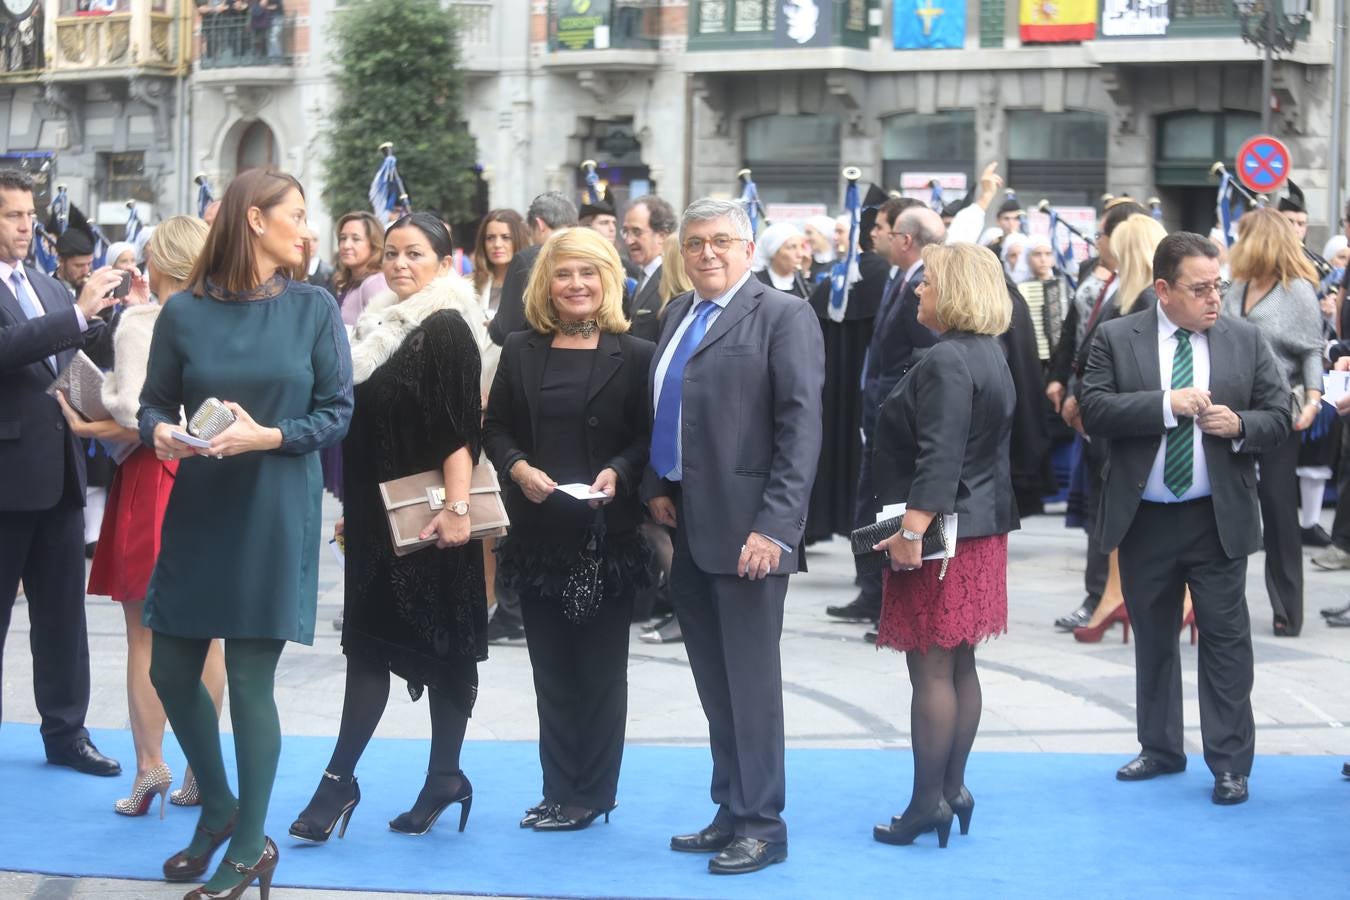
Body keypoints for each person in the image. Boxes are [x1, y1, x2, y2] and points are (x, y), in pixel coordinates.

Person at [138, 168, 353, 896]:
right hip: (201, 505)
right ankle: (222, 806)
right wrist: (162, 432)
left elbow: (336, 411)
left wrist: (268, 437)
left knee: (250, 677)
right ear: (254, 221)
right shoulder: (184, 312)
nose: (307, 226)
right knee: (170, 668)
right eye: (295, 213)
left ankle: (250, 843)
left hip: (274, 504)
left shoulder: (314, 306)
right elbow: (151, 406)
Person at [288, 213, 486, 847]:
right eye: (392, 253)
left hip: (432, 517)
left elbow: (460, 432)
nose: (400, 265)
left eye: (416, 254)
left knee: (446, 649)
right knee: (367, 647)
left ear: (446, 262)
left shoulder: (448, 325)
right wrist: (355, 508)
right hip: (379, 519)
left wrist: (457, 513)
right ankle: (344, 778)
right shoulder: (378, 328)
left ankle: (441, 776)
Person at [644, 198, 824, 875]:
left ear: (747, 248)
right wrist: (656, 487)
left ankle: (762, 823)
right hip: (686, 521)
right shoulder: (676, 315)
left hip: (751, 531)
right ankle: (729, 807)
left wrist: (775, 528)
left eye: (721, 241)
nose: (708, 253)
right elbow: (668, 411)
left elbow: (800, 430)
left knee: (750, 685)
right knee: (715, 683)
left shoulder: (783, 316)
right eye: (695, 243)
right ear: (682, 253)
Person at [1079, 231, 1289, 807]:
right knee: (1153, 637)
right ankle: (1161, 747)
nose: (1214, 299)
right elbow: (1092, 408)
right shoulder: (1119, 337)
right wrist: (1163, 404)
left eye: (1218, 286)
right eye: (1200, 289)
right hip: (1145, 517)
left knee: (1226, 641)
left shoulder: (1245, 340)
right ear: (1163, 289)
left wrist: (1241, 424)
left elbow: (1281, 412)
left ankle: (1229, 764)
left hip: (1216, 518)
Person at [483, 227, 654, 832]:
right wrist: (518, 468)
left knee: (601, 673)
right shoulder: (522, 349)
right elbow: (496, 427)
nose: (575, 285)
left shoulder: (636, 354)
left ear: (608, 279)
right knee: (550, 672)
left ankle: (593, 793)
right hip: (536, 538)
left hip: (605, 541)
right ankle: (558, 790)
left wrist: (619, 470)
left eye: (588, 272)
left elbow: (645, 436)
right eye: (563, 273)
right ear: (546, 285)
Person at [57, 217, 228, 815]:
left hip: (153, 480)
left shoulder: (143, 323)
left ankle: (150, 767)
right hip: (210, 478)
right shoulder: (226, 320)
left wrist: (89, 418)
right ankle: (199, 771)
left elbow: (138, 414)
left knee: (144, 636)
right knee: (209, 637)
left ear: (162, 265)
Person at [869, 241, 1018, 848]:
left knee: (931, 668)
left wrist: (909, 531)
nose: (916, 290)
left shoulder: (947, 361)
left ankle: (926, 803)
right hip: (976, 530)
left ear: (953, 290)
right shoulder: (989, 354)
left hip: (937, 533)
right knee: (959, 663)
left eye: (927, 282)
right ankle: (952, 789)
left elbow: (940, 455)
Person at [0, 168, 123, 778]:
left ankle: (67, 734)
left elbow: (66, 361)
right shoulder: (54, 298)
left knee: (63, 620)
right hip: (5, 480)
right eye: (12, 216)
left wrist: (100, 320)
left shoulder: (48, 287)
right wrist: (74, 315)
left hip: (61, 474)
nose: (26, 226)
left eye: (29, 215)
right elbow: (10, 348)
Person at [830, 202, 942, 627]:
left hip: (896, 418)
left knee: (886, 503)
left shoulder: (926, 283)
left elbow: (923, 356)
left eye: (892, 234)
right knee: (869, 501)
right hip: (876, 413)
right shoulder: (901, 278)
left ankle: (884, 598)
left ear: (907, 240)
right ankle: (870, 589)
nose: (885, 240)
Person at [1045, 201, 1149, 632]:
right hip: (1094, 414)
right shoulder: (1101, 279)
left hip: (1114, 419)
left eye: (1104, 235)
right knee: (1100, 512)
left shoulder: (1139, 295)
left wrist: (1084, 396)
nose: (1097, 242)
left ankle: (1105, 597)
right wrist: (1062, 382)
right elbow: (1075, 335)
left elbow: (1104, 354)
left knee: (1110, 514)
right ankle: (1103, 594)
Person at [1222, 208, 1324, 637]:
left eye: (1241, 235)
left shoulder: (1296, 290)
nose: (1234, 241)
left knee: (1280, 509)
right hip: (1231, 408)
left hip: (1278, 407)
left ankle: (1288, 607)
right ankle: (1221, 602)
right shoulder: (1236, 287)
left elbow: (1311, 349)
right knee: (1228, 505)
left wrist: (1314, 398)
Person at [487, 191, 578, 349]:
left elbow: (508, 329)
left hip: (543, 358)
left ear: (540, 224)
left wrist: (494, 326)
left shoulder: (528, 259)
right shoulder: (597, 253)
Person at [470, 208, 527, 393]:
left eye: (506, 237)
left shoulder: (531, 289)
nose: (497, 244)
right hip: (471, 388)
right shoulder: (468, 285)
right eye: (490, 238)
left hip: (510, 389)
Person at [622, 195, 677, 342]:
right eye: (625, 231)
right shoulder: (642, 275)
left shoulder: (672, 280)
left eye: (636, 232)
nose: (628, 240)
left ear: (662, 236)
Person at [751, 222, 811, 299]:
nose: (800, 254)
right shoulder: (756, 283)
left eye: (801, 247)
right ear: (773, 252)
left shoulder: (802, 284)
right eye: (792, 247)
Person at [54, 226, 95, 298]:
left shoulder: (91, 290)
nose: (86, 271)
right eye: (79, 265)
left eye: (89, 264)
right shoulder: (48, 291)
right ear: (61, 260)